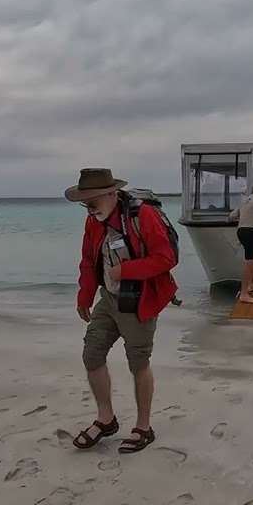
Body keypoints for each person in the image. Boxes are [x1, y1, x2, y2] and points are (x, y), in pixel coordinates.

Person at [65, 168, 178, 454]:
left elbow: (166, 258)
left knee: (138, 362)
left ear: (112, 194)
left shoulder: (143, 216)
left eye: (93, 202)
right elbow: (88, 262)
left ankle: (143, 427)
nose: (89, 210)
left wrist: (125, 269)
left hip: (141, 299)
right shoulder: (93, 221)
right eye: (85, 204)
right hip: (109, 299)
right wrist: (84, 297)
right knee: (91, 355)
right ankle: (106, 419)